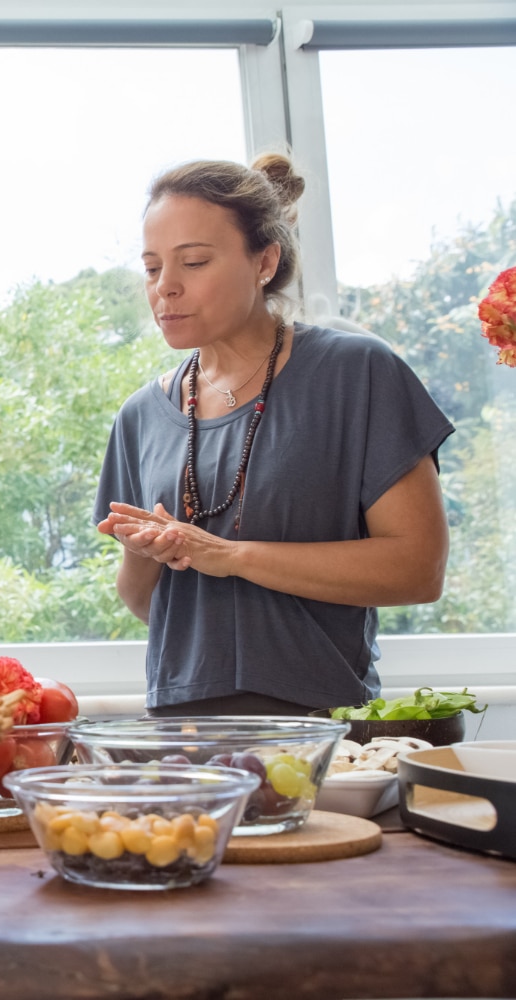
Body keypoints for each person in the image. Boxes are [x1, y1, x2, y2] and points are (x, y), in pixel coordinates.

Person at [95, 153, 453, 716]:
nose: (166, 287)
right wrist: (152, 554)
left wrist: (232, 555)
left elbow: (418, 568)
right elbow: (144, 602)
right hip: (184, 740)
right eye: (151, 267)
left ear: (265, 261)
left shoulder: (356, 372)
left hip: (322, 732)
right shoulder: (141, 414)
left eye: (192, 262)